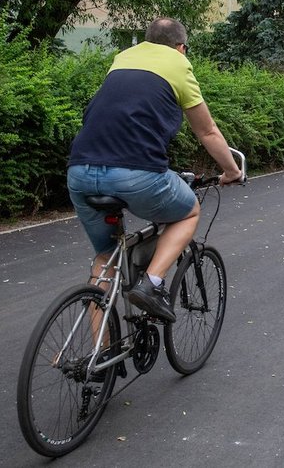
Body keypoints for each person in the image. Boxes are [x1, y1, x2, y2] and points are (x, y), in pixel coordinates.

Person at [67, 17, 242, 322]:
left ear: (147, 40)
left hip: (79, 170)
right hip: (134, 173)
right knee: (188, 211)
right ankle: (152, 284)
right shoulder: (177, 63)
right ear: (181, 47)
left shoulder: (122, 58)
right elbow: (208, 131)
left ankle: (98, 362)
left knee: (105, 259)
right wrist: (231, 171)